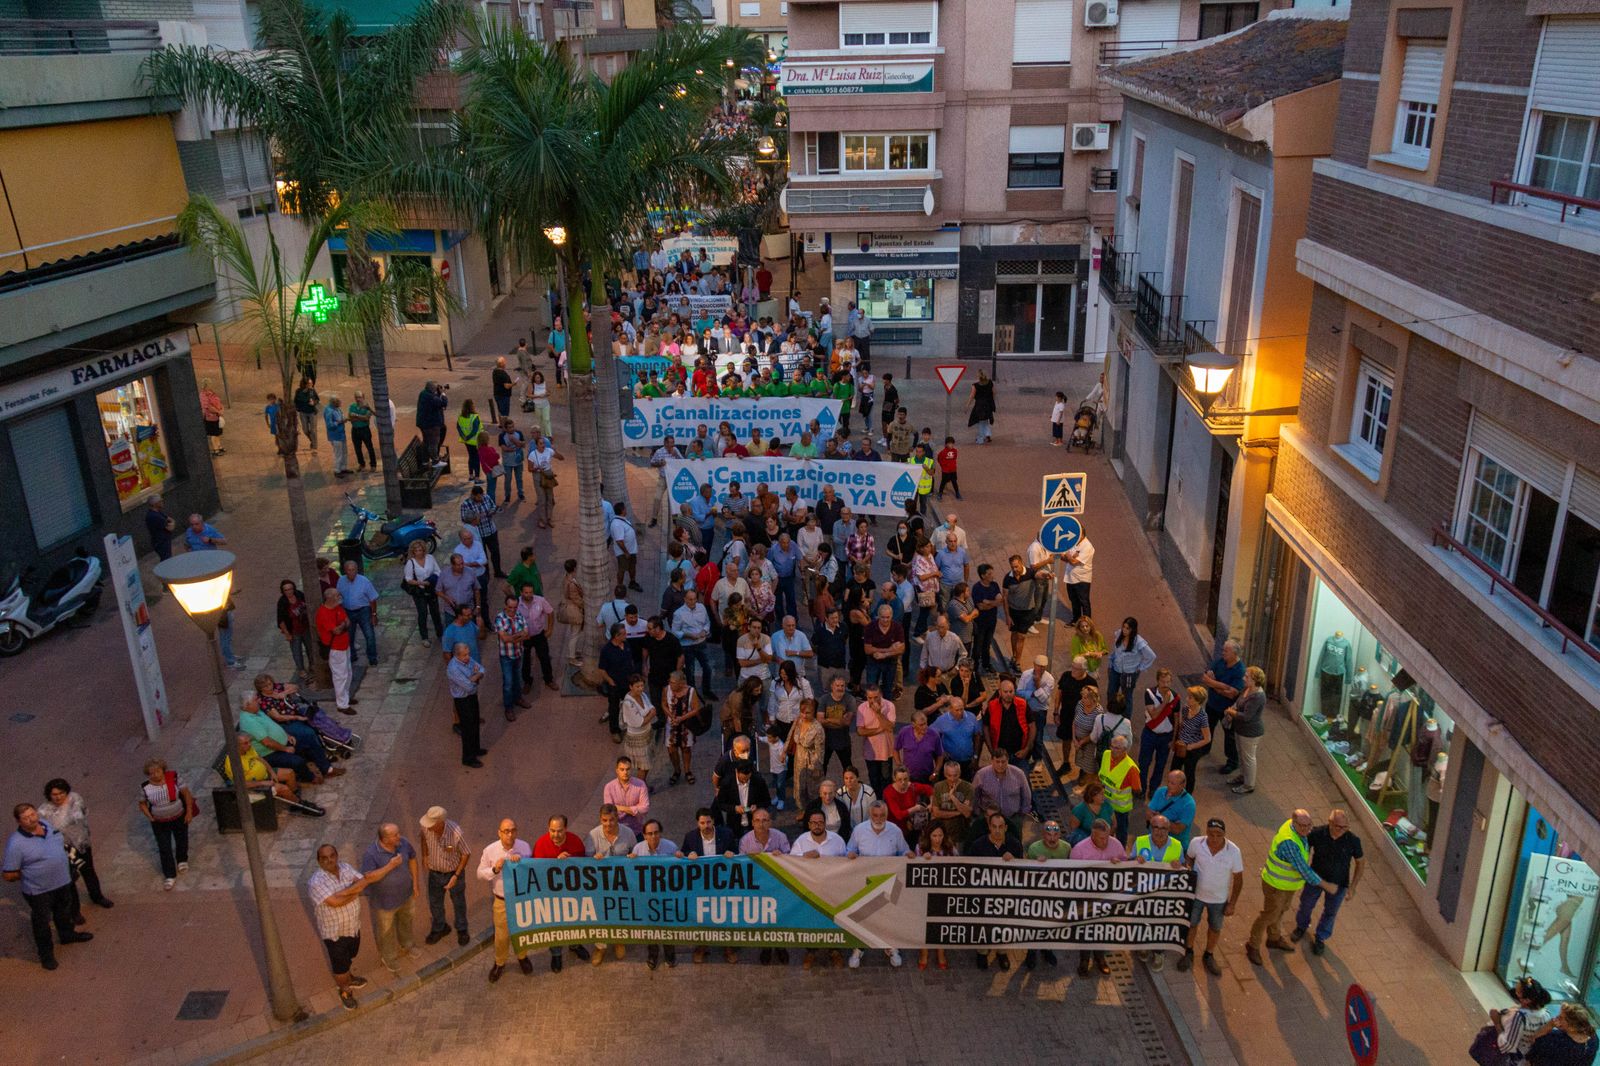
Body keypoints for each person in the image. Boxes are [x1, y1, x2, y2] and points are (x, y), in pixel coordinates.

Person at [1246, 808, 1339, 967]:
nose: (1307, 829)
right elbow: (1303, 869)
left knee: (1281, 910)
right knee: (1269, 915)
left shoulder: (1293, 828)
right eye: (1302, 826)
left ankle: (1273, 938)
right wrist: (1326, 886)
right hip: (1275, 885)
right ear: (1294, 822)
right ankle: (1252, 945)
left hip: (1287, 885)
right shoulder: (1289, 842)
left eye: (1309, 825)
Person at [4, 802, 92, 970]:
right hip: (38, 891)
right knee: (42, 923)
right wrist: (31, 873)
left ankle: (67, 935)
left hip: (62, 882)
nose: (31, 819)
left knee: (63, 912)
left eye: (32, 814)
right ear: (18, 821)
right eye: (26, 818)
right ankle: (46, 956)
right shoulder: (16, 843)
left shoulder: (46, 825)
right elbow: (9, 874)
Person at [309, 844, 396, 1009]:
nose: (329, 860)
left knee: (350, 955)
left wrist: (346, 891)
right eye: (324, 858)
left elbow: (366, 881)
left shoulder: (346, 868)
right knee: (340, 965)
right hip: (334, 933)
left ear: (336, 855)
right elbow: (335, 903)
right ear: (318, 861)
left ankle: (349, 977)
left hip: (353, 927)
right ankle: (345, 990)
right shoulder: (315, 882)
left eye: (332, 856)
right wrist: (354, 891)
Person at [1291, 808, 1364, 956]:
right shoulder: (1317, 834)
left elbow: (1360, 863)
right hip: (1315, 880)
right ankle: (1301, 927)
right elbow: (1303, 846)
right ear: (1330, 823)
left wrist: (1353, 887)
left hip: (1339, 884)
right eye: (1338, 826)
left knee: (1331, 912)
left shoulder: (1353, 841)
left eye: (1345, 827)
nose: (1342, 830)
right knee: (1306, 904)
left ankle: (1321, 937)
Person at [844, 802, 908, 968]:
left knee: (889, 918)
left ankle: (891, 947)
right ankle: (859, 949)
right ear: (869, 815)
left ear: (886, 816)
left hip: (890, 882)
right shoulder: (859, 830)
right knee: (863, 917)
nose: (878, 819)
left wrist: (911, 854)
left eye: (882, 816)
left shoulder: (895, 830)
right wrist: (850, 854)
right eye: (875, 815)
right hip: (865, 882)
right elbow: (849, 849)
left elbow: (904, 851)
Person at [38, 779, 112, 922]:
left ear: (67, 792)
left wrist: (59, 824)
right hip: (62, 849)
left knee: (88, 871)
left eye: (61, 793)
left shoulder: (75, 799)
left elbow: (78, 815)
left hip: (81, 844)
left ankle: (97, 897)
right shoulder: (43, 810)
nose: (58, 797)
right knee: (70, 880)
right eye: (54, 794)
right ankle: (75, 911)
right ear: (49, 795)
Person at [1178, 817, 1244, 975]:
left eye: (1218, 834)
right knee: (1191, 924)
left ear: (1224, 834)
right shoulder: (1196, 843)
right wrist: (1189, 870)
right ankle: (1189, 951)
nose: (1214, 838)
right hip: (1196, 895)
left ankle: (1209, 954)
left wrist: (1232, 903)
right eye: (1211, 834)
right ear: (1206, 832)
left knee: (1215, 927)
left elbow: (1238, 879)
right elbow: (1189, 857)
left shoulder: (1233, 851)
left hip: (1219, 899)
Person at [531, 815, 591, 971]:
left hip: (572, 893)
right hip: (551, 896)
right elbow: (536, 872)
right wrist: (555, 864)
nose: (555, 835)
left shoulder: (576, 842)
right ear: (548, 829)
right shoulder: (541, 845)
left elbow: (583, 868)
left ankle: (575, 945)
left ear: (566, 829)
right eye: (552, 831)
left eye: (559, 831)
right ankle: (556, 953)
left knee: (575, 920)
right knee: (555, 924)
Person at [359, 824, 419, 975]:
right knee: (386, 931)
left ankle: (407, 945)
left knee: (406, 921)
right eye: (395, 835)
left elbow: (412, 858)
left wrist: (415, 884)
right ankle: (389, 957)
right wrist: (390, 866)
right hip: (385, 903)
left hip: (406, 895)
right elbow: (369, 877)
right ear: (384, 839)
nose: (399, 836)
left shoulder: (403, 843)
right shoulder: (371, 854)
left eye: (398, 833)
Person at [1070, 819, 1127, 976]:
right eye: (1101, 838)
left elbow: (1126, 865)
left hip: (1107, 897)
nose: (1105, 841)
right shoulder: (1079, 850)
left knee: (1103, 928)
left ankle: (1100, 958)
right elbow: (1071, 876)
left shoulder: (1116, 845)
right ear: (1092, 835)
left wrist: (1119, 865)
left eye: (1107, 837)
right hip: (1086, 897)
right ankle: (1084, 960)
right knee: (1085, 929)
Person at [479, 819, 534, 980]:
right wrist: (495, 869)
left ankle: (522, 957)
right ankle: (500, 963)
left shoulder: (524, 847)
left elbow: (531, 869)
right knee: (502, 936)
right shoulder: (490, 850)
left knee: (522, 930)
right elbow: (479, 873)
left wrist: (522, 861)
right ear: (499, 832)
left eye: (513, 830)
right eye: (506, 831)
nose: (510, 834)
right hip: (501, 900)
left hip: (521, 898)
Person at [137, 758, 194, 890]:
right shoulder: (145, 787)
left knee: (181, 839)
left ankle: (182, 860)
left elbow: (186, 794)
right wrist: (150, 817)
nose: (155, 775)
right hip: (159, 822)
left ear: (163, 770)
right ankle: (170, 875)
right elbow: (142, 803)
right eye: (151, 773)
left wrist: (189, 812)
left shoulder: (173, 778)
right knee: (164, 847)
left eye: (157, 771)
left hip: (178, 816)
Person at [418, 806, 471, 947]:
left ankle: (462, 928)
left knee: (458, 902)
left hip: (453, 873)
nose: (427, 827)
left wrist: (456, 875)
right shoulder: (425, 828)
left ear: (440, 822)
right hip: (435, 873)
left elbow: (466, 854)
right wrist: (424, 855)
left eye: (431, 824)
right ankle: (440, 927)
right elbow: (423, 837)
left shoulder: (455, 832)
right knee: (435, 903)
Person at [1482, 978, 1556, 1064]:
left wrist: (1497, 1022)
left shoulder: (1519, 1018)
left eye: (1518, 992)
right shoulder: (1546, 1014)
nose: (1515, 992)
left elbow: (1507, 1046)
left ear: (1527, 1000)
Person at [1201, 638, 1246, 775]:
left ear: (1235, 654)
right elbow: (1205, 678)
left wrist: (1213, 684)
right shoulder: (1221, 662)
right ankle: (1205, 748)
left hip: (1228, 710)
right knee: (1208, 727)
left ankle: (1232, 762)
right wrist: (1222, 686)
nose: (1223, 652)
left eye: (1226, 650)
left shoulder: (1239, 670)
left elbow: (1232, 694)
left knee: (1229, 736)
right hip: (1212, 704)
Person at [1225, 666, 1268, 795]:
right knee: (1242, 756)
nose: (1244, 678)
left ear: (1254, 680)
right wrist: (1232, 709)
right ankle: (1243, 776)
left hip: (1250, 732)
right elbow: (1238, 703)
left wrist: (1231, 712)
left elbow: (1247, 717)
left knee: (1248, 758)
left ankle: (1249, 784)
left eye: (1247, 676)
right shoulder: (1248, 689)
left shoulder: (1258, 697)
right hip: (1241, 730)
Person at [1139, 667, 1180, 798]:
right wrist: (1165, 703)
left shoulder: (1176, 698)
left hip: (1166, 737)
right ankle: (1141, 788)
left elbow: (1176, 720)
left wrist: (1173, 740)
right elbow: (1154, 715)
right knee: (1144, 763)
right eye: (1163, 682)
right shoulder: (1149, 693)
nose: (1166, 685)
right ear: (1158, 681)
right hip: (1150, 734)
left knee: (1160, 765)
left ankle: (1153, 789)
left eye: (1168, 682)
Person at [972, 748, 1032, 840]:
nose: (1000, 765)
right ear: (992, 761)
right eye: (997, 761)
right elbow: (974, 795)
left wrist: (1021, 816)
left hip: (1012, 818)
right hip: (988, 820)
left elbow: (1026, 795)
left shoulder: (1018, 774)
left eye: (1003, 762)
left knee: (1015, 843)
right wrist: (977, 814)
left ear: (1008, 760)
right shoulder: (981, 774)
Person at [316, 587, 356, 713]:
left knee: (348, 673)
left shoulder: (338, 607)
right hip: (335, 648)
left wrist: (342, 625)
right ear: (330, 598)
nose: (340, 596)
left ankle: (346, 698)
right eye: (337, 595)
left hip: (344, 645)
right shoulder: (323, 613)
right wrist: (343, 625)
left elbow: (347, 622)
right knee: (340, 675)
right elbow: (336, 630)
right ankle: (342, 704)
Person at [447, 642, 486, 768]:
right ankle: (468, 758)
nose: (468, 657)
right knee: (467, 727)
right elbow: (468, 686)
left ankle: (475, 748)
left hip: (471, 696)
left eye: (468, 654)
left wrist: (475, 676)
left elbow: (481, 669)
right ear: (457, 655)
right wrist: (476, 676)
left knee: (475, 722)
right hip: (462, 700)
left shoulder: (467, 660)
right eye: (464, 655)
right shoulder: (453, 669)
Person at [337, 559, 381, 667]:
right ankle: (352, 656)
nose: (351, 572)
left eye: (353, 570)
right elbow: (339, 596)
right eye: (349, 570)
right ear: (345, 571)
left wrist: (374, 614)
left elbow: (372, 599)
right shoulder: (341, 581)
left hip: (363, 611)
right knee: (349, 636)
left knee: (369, 635)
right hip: (348, 611)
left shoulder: (364, 581)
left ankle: (372, 657)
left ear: (357, 570)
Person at [855, 683, 898, 794]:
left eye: (875, 697)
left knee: (886, 781)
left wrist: (878, 713)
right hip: (870, 752)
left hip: (886, 751)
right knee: (874, 781)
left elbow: (889, 727)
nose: (873, 701)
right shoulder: (862, 708)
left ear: (881, 695)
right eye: (870, 698)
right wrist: (879, 730)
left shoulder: (889, 706)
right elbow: (860, 731)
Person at [1098, 733, 1140, 844]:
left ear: (1125, 750)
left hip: (1120, 809)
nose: (1113, 750)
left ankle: (1120, 850)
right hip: (1104, 802)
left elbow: (1137, 790)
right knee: (1102, 827)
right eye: (1111, 746)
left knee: (1121, 831)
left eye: (1117, 748)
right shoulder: (1106, 755)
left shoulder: (1131, 768)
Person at [1527, 1003, 1598, 1066]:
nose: (1556, 1018)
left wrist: (1549, 1025)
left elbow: (1534, 1040)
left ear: (1572, 1027)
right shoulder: (1593, 1038)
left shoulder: (1554, 1040)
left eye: (1560, 1018)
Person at [714, 759, 771, 833]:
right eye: (742, 779)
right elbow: (720, 803)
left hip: (753, 826)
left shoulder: (759, 781)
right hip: (734, 825)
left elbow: (767, 801)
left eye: (747, 779)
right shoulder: (726, 783)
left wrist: (757, 806)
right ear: (736, 772)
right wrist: (734, 808)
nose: (745, 782)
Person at [1174, 685, 1215, 787]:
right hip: (1181, 745)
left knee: (1189, 773)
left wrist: (1191, 746)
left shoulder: (1202, 717)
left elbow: (1207, 739)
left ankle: (1187, 794)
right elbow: (1182, 725)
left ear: (1198, 701)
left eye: (1190, 697)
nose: (1187, 699)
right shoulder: (1185, 709)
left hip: (1192, 750)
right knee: (1174, 769)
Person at [1147, 768, 1196, 853]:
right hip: (1154, 842)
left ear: (1182, 785)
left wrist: (1158, 819)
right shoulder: (1160, 791)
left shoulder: (1189, 804)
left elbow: (1177, 829)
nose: (1169, 785)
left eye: (1172, 783)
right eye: (1168, 782)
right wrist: (1170, 823)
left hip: (1174, 846)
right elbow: (1148, 814)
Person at [1061, 535, 1094, 622]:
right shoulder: (1073, 542)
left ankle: (1087, 623)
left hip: (1082, 579)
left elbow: (1074, 562)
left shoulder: (1087, 546)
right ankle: (1076, 620)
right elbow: (1063, 557)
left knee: (1084, 602)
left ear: (1082, 534)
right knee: (1073, 600)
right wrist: (1071, 557)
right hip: (1070, 577)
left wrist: (1069, 556)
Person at [347, 392, 376, 472]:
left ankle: (373, 465)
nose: (358, 399)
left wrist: (356, 415)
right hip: (355, 430)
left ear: (363, 397)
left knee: (369, 447)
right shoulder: (352, 406)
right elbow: (350, 418)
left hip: (365, 430)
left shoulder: (367, 406)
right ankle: (361, 464)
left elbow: (367, 418)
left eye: (359, 397)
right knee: (357, 449)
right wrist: (361, 417)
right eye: (356, 397)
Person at [324, 396, 350, 476]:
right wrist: (339, 422)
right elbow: (329, 425)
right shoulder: (329, 411)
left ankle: (343, 468)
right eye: (339, 403)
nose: (340, 404)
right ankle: (337, 470)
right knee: (338, 453)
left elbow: (340, 418)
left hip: (341, 434)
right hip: (335, 436)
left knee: (344, 452)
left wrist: (344, 419)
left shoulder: (337, 409)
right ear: (334, 403)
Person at [145, 495, 176, 560]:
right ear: (155, 504)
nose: (162, 502)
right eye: (160, 501)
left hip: (162, 542)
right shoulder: (155, 516)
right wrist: (173, 523)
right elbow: (170, 528)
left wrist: (172, 522)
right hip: (161, 543)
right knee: (166, 560)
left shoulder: (157, 512)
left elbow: (169, 519)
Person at [967, 370, 995, 444]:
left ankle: (980, 439)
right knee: (985, 420)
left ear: (978, 377)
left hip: (980, 406)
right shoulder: (990, 383)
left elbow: (972, 396)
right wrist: (992, 402)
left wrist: (967, 405)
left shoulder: (975, 385)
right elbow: (993, 393)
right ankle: (987, 434)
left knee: (980, 422)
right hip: (988, 404)